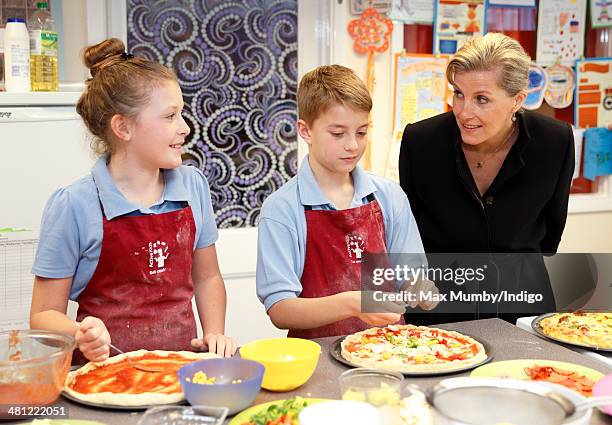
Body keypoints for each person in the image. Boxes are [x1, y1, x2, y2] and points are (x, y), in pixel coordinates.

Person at [29, 38, 236, 364]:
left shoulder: (193, 187)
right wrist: (80, 332)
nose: (184, 127)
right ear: (123, 127)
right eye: (170, 116)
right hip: (105, 375)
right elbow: (42, 314)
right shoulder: (75, 205)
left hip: (180, 370)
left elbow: (207, 277)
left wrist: (214, 333)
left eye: (181, 113)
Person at [399, 33, 575, 325]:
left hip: (523, 308)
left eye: (482, 99)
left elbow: (551, 232)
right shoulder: (421, 141)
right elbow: (409, 234)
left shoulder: (554, 141)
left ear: (517, 100)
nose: (465, 112)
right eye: (458, 94)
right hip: (439, 310)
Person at [256, 65, 436, 339]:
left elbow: (410, 276)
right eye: (338, 134)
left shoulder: (389, 197)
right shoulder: (282, 209)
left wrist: (420, 288)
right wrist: (352, 304)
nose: (352, 145)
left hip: (390, 350)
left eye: (361, 132)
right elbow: (280, 310)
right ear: (305, 131)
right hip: (316, 360)